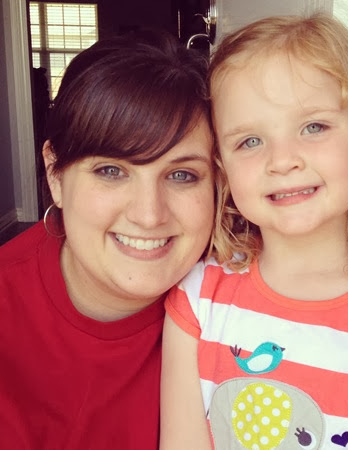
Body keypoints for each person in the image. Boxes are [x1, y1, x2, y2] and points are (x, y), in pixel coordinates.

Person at [161, 14, 348, 449]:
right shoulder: (200, 297)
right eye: (250, 141)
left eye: (313, 127)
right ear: (223, 169)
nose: (283, 160)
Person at [0, 32, 215, 449]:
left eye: (182, 175)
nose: (149, 215)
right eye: (111, 171)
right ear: (55, 175)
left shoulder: (248, 312)